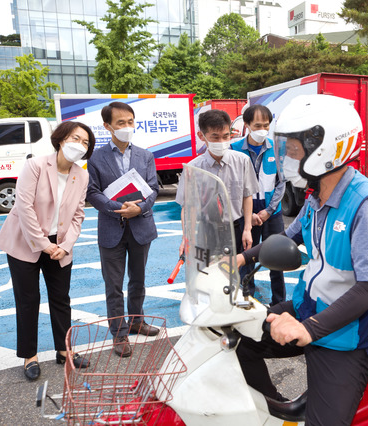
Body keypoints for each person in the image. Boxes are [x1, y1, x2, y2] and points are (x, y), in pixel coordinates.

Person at [235, 94, 368, 425]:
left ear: (325, 149)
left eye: (294, 149)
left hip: (352, 333)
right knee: (239, 341)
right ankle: (280, 411)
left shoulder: (367, 205)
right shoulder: (316, 197)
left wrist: (308, 329)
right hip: (312, 307)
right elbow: (288, 238)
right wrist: (239, 259)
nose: (287, 157)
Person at [0, 121, 96, 381]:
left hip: (59, 245)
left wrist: (64, 245)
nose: (80, 145)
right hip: (25, 241)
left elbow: (78, 216)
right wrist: (44, 244)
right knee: (28, 300)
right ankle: (30, 356)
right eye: (76, 138)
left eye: (85, 143)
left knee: (61, 298)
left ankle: (64, 351)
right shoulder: (36, 165)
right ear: (62, 140)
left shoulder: (82, 175)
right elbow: (24, 208)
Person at [86, 101, 160, 358]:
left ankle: (137, 321)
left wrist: (138, 209)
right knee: (113, 285)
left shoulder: (145, 155)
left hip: (141, 225)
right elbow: (92, 192)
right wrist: (119, 208)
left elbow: (153, 188)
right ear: (108, 126)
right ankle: (119, 333)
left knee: (138, 280)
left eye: (130, 122)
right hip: (111, 227)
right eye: (121, 123)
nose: (127, 127)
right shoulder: (95, 157)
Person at [176, 109, 258, 261]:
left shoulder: (242, 161)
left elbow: (247, 196)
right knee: (209, 275)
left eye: (225, 136)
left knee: (237, 275)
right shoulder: (192, 168)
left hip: (236, 229)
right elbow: (188, 207)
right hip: (206, 230)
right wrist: (186, 237)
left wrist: (248, 229)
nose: (221, 142)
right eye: (215, 137)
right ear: (202, 136)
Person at [230, 105, 286, 305]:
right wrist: (250, 215)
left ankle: (279, 303)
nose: (262, 129)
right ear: (247, 125)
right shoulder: (234, 149)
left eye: (266, 125)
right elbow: (232, 186)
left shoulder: (277, 148)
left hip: (272, 214)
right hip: (246, 215)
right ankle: (247, 300)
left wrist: (268, 211)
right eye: (257, 125)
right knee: (246, 260)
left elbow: (281, 182)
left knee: (276, 260)